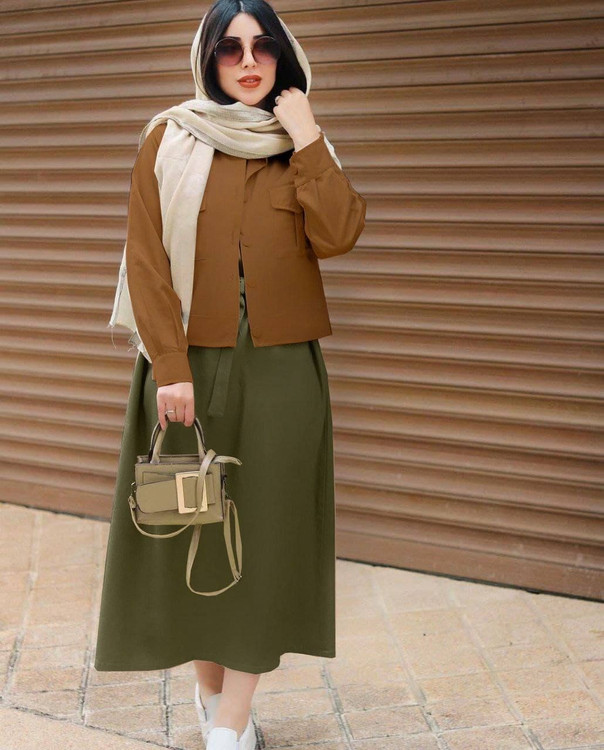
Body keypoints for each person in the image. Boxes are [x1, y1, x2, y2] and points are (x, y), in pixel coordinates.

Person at [94, 2, 366, 749]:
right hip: (186, 367)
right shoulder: (169, 137)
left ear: (284, 57)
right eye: (230, 49)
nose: (248, 62)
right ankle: (211, 693)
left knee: (266, 537)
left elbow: (340, 233)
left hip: (282, 374)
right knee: (191, 526)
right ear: (207, 59)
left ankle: (232, 723)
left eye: (263, 47)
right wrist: (169, 367)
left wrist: (307, 135)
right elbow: (147, 260)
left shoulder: (301, 145)